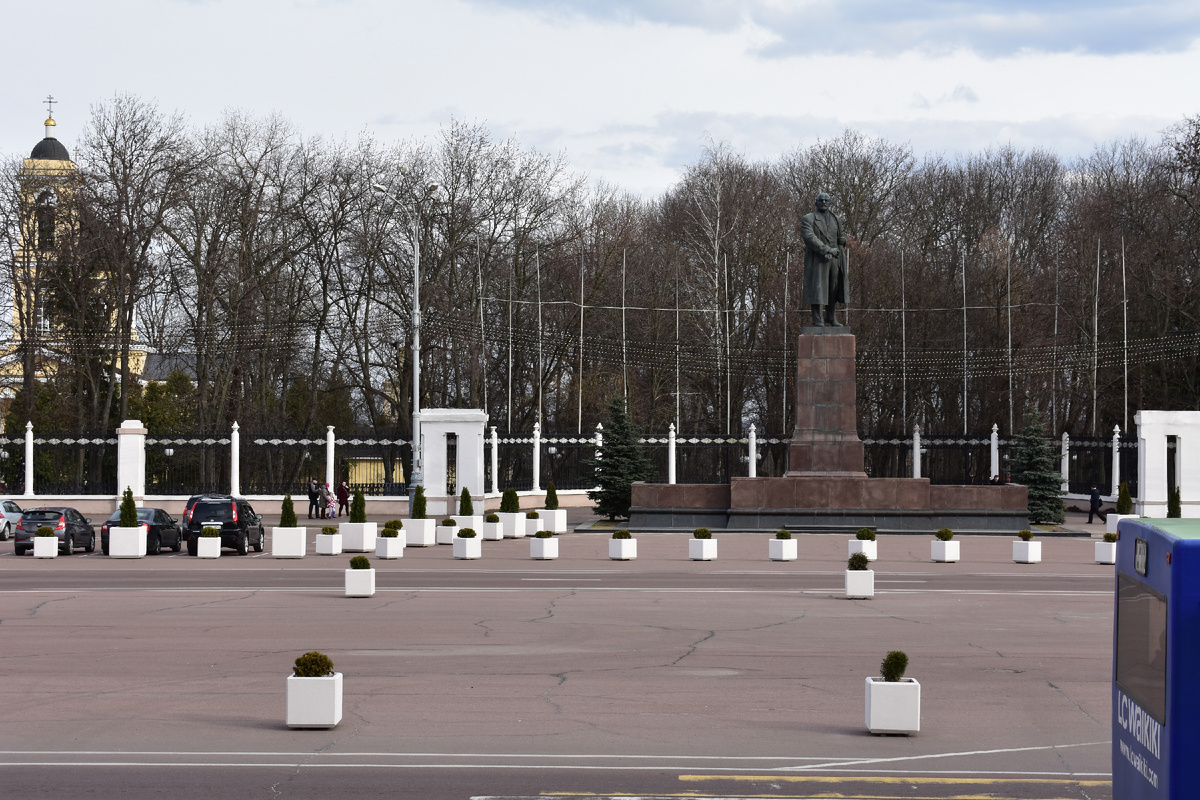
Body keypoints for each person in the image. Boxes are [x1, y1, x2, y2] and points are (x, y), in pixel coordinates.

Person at [800, 192, 849, 327]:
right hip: (818, 259)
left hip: (835, 258)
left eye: (826, 200)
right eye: (820, 200)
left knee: (833, 288)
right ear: (815, 202)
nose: (823, 202)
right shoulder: (808, 219)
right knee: (818, 289)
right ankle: (817, 319)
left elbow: (842, 235)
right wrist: (827, 250)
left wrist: (843, 240)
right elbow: (809, 238)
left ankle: (830, 316)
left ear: (830, 202)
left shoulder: (836, 218)